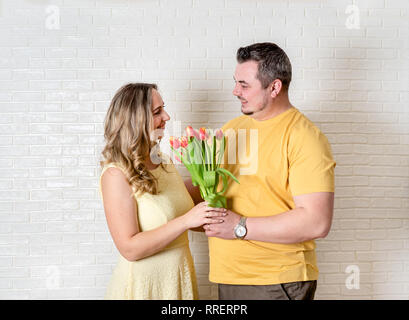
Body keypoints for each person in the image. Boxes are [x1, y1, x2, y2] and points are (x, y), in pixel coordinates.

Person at [196, 42, 336, 300]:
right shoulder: (231, 129)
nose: (235, 91)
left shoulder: (305, 138)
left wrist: (239, 227)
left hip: (276, 283)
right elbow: (210, 189)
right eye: (236, 82)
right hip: (228, 277)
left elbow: (317, 221)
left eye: (244, 84)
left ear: (274, 87)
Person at [99, 83, 226, 300]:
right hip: (143, 288)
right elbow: (129, 248)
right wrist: (187, 220)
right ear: (136, 120)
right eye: (157, 112)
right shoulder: (115, 174)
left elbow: (179, 216)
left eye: (163, 109)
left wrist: (212, 179)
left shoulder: (164, 162)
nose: (166, 117)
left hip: (177, 282)